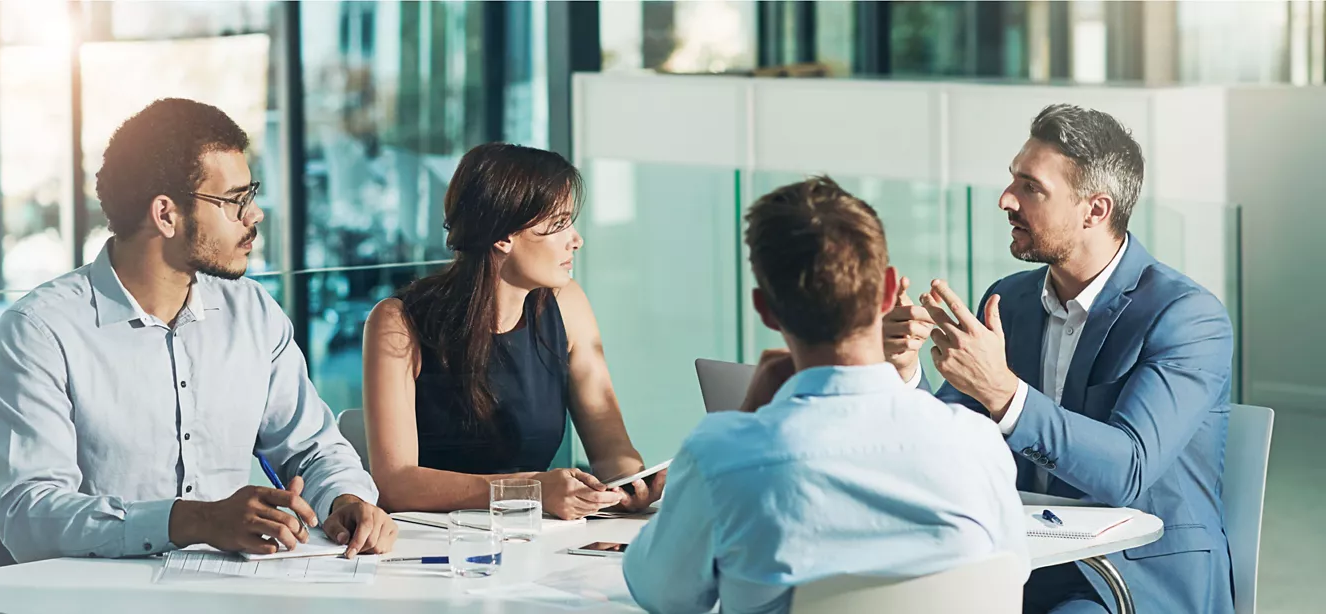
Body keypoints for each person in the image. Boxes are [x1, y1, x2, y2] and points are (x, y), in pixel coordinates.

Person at [0, 98, 396, 563]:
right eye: (235, 200)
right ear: (165, 214)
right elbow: (28, 515)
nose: (255, 214)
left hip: (239, 592)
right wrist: (193, 520)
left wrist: (347, 499)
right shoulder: (40, 332)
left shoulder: (253, 313)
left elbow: (313, 447)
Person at [624, 176, 1028, 614]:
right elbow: (1010, 574)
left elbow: (661, 595)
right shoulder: (975, 443)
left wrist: (747, 415)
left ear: (765, 309)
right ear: (890, 289)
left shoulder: (721, 457)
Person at [891, 104, 1235, 613]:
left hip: (1128, 576)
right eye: (1013, 179)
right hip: (1016, 560)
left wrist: (1004, 394)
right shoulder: (1009, 300)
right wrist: (905, 372)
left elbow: (1129, 469)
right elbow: (948, 449)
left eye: (1030, 187)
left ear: (1094, 210)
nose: (1006, 199)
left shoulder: (1187, 317)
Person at [361, 143, 663, 519]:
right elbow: (395, 484)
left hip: (534, 535)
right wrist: (531, 490)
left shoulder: (567, 304)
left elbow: (610, 449)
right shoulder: (397, 322)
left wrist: (632, 483)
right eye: (558, 225)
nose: (576, 239)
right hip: (434, 545)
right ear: (504, 236)